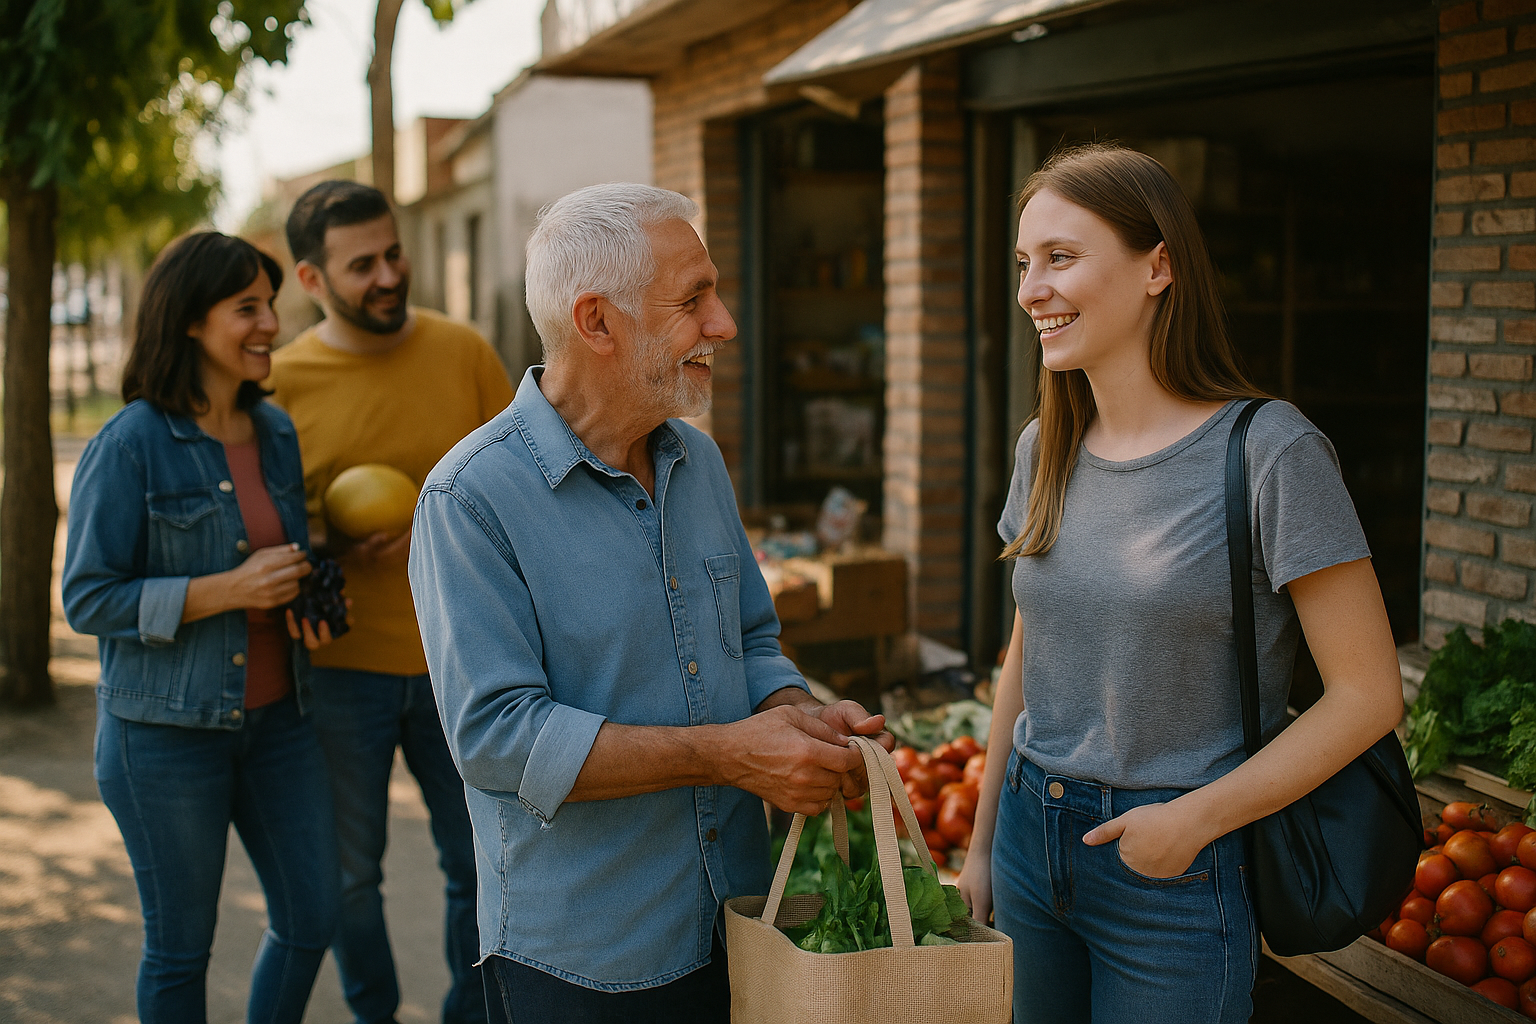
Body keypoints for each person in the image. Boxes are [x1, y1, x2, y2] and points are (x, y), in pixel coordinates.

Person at [407, 182, 889, 1023]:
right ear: (597, 322)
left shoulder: (696, 463)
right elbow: (498, 741)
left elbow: (752, 635)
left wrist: (793, 714)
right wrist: (727, 754)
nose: (725, 323)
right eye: (694, 299)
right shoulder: (470, 499)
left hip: (739, 930)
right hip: (584, 963)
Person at [955, 142, 1406, 1023]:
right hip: (1027, 836)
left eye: (1060, 258)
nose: (1029, 291)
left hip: (1177, 864)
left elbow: (1368, 696)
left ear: (1158, 265)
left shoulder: (1272, 453)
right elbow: (1027, 654)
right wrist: (979, 848)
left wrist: (1194, 821)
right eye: (1023, 263)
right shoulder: (1041, 449)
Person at [62, 231, 342, 1024]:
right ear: (189, 320)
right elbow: (87, 599)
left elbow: (278, 557)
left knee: (312, 915)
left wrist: (311, 597)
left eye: (271, 307)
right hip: (162, 737)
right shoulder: (130, 446)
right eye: (246, 309)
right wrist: (222, 590)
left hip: (280, 723)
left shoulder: (276, 433)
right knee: (180, 952)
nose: (270, 326)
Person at [263, 179, 515, 1024]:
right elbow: (262, 521)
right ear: (310, 279)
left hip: (464, 666)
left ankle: (466, 1012)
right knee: (349, 878)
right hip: (341, 671)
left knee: (480, 861)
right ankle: (374, 1012)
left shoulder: (463, 352)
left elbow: (521, 487)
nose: (387, 275)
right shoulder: (282, 383)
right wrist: (332, 541)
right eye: (361, 263)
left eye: (394, 252)